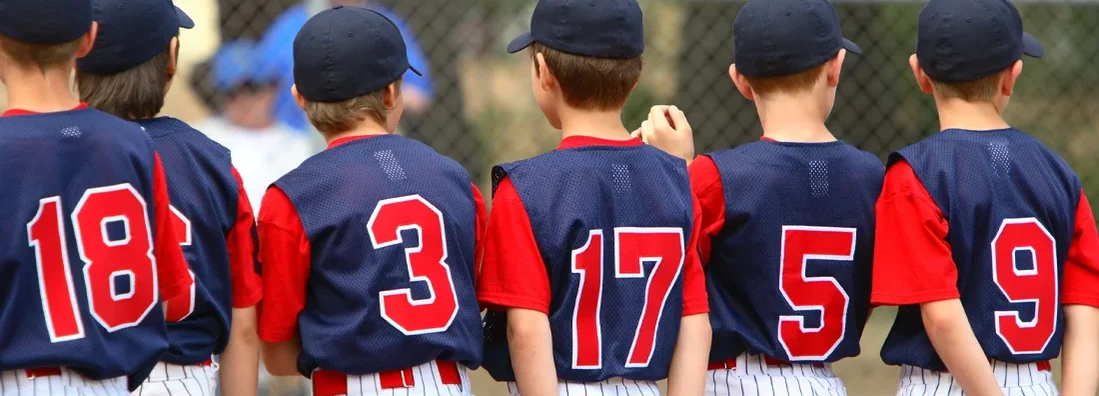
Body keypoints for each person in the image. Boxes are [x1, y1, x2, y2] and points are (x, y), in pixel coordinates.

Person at [637, 0, 881, 394]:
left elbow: (665, 272)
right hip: (822, 380)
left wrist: (671, 173)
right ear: (836, 67)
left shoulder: (714, 177)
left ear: (740, 81)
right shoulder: (872, 176)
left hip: (732, 379)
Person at [476, 1, 711, 395]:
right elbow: (694, 320)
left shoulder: (526, 188)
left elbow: (525, 330)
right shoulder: (677, 179)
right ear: (635, 78)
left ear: (543, 73)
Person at [871, 0, 1099, 395]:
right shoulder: (1060, 175)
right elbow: (1084, 307)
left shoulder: (915, 174)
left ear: (920, 74)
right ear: (1012, 76)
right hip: (1035, 383)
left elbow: (941, 318)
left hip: (946, 383)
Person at [256, 6, 485, 396]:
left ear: (298, 98)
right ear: (392, 92)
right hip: (448, 384)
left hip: (348, 386)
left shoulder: (291, 198)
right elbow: (475, 294)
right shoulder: (455, 178)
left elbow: (277, 357)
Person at [0, 0, 193, 394]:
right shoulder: (132, 143)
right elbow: (169, 295)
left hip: (21, 381)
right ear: (88, 40)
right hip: (116, 380)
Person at [74, 1, 264, 395]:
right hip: (180, 377)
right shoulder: (211, 163)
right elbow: (243, 327)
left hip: (75, 373)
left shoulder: (55, 149)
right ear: (171, 58)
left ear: (77, 57)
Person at [258, 0, 433, 132]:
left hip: (372, 129)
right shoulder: (287, 27)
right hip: (295, 138)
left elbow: (419, 95)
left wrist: (365, 100)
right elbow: (257, 90)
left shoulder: (384, 23)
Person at [196, 40, 316, 212]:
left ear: (273, 87)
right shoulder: (200, 138)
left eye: (252, 88)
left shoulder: (300, 146)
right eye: (232, 92)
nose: (243, 100)